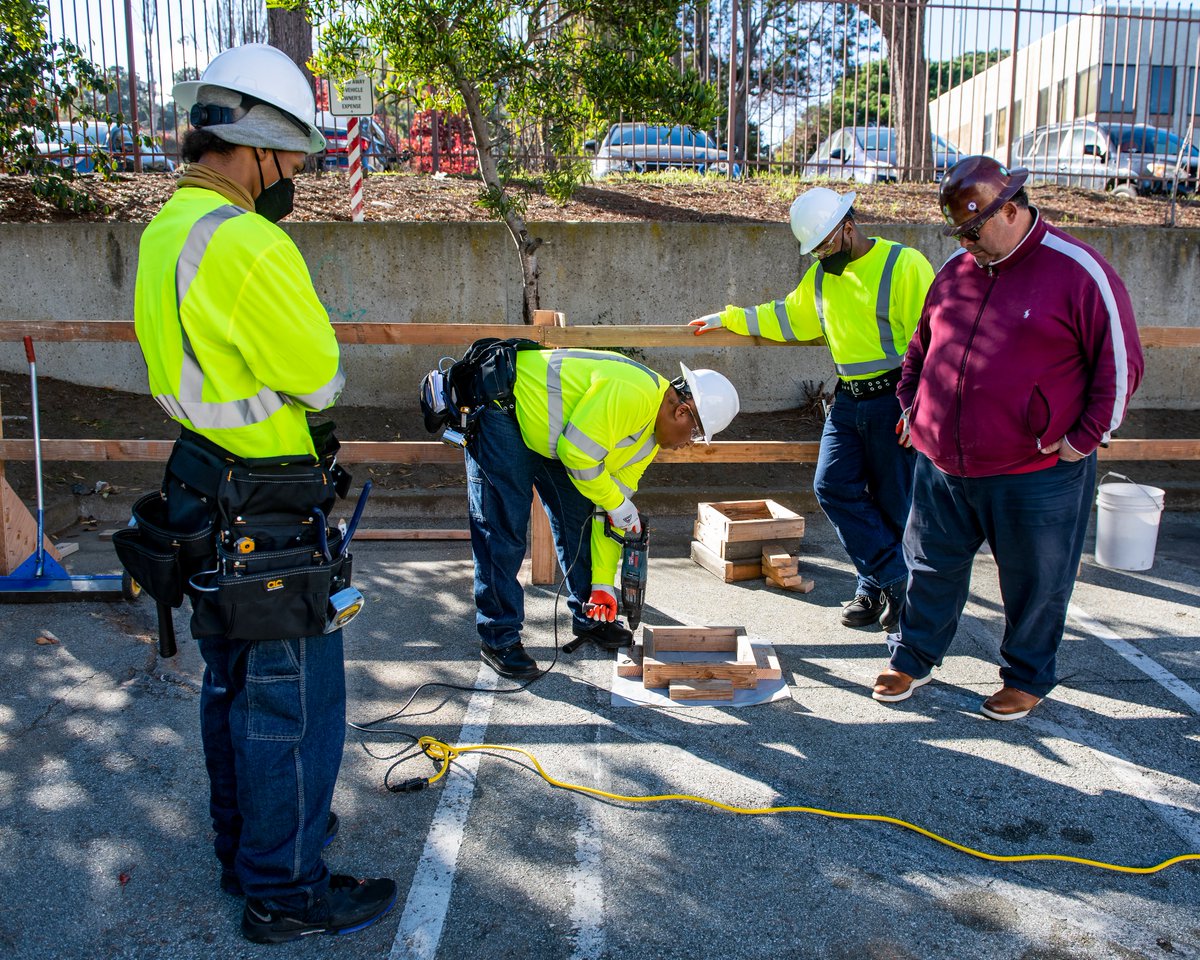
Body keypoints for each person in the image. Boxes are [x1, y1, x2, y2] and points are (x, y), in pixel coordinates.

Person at [131, 44, 396, 942]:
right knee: (289, 702)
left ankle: (244, 846)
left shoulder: (166, 230)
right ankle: (284, 890)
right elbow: (319, 373)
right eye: (292, 161)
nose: (295, 179)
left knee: (233, 690)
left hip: (210, 486)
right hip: (269, 510)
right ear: (255, 143)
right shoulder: (245, 239)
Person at [872, 155, 1144, 721]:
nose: (968, 242)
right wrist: (911, 407)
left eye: (975, 229)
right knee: (928, 564)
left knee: (1035, 579)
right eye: (961, 233)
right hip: (942, 462)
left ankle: (1026, 676)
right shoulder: (956, 268)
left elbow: (1120, 366)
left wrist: (1081, 440)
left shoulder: (1078, 270)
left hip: (1036, 470)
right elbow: (923, 348)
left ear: (1012, 209)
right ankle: (913, 656)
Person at [690, 187, 934, 631]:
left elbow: (935, 341)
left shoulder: (904, 265)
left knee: (894, 503)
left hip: (895, 400)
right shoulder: (821, 277)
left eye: (825, 243)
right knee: (832, 486)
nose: (820, 254)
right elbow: (785, 317)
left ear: (848, 226)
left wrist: (920, 405)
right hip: (849, 400)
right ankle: (890, 577)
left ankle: (880, 588)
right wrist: (728, 318)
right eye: (814, 248)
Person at [468, 349, 740, 678]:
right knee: (503, 532)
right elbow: (580, 456)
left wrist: (604, 585)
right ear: (682, 411)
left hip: (554, 436)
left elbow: (611, 517)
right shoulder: (634, 394)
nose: (689, 444)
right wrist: (616, 503)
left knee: (579, 519)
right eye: (696, 434)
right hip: (504, 411)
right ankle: (499, 640)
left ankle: (590, 614)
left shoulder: (647, 443)